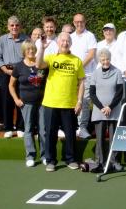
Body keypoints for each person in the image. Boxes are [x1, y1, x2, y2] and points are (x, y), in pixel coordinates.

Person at [36, 32, 85, 172]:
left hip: (69, 104)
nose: (65, 43)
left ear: (71, 43)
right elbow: (38, 64)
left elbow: (81, 82)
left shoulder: (76, 60)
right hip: (51, 103)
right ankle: (51, 161)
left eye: (67, 41)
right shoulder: (51, 58)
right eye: (62, 40)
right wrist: (42, 48)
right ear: (58, 42)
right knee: (50, 133)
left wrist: (79, 101)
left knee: (70, 134)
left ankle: (70, 159)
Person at [9, 40, 47, 167]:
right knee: (29, 129)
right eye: (28, 49)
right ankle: (30, 156)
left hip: (42, 102)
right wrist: (16, 99)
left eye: (33, 49)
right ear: (24, 51)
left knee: (43, 129)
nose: (31, 51)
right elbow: (11, 85)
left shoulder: (41, 64)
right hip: (26, 103)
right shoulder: (19, 66)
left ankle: (45, 156)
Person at [89, 48, 124, 171]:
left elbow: (119, 93)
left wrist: (110, 107)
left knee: (114, 138)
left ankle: (114, 162)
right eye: (103, 59)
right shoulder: (95, 73)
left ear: (110, 59)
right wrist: (102, 108)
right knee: (100, 138)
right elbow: (92, 94)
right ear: (99, 60)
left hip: (113, 110)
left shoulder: (117, 72)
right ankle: (100, 162)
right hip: (99, 111)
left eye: (107, 59)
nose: (105, 61)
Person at [0, 16, 28, 138]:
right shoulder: (2, 40)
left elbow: (29, 55)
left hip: (21, 72)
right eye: (12, 25)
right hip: (6, 72)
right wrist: (4, 69)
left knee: (21, 99)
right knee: (6, 100)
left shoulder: (26, 39)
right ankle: (8, 127)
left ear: (20, 26)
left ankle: (20, 127)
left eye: (17, 25)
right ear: (8, 26)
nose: (14, 27)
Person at [70, 13, 97, 139]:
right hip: (71, 75)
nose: (79, 24)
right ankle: (72, 126)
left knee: (84, 101)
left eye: (81, 21)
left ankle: (82, 127)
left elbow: (91, 54)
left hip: (87, 75)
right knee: (72, 101)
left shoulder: (90, 36)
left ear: (85, 22)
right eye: (77, 22)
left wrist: (78, 68)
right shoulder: (70, 37)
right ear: (74, 23)